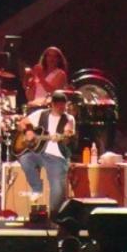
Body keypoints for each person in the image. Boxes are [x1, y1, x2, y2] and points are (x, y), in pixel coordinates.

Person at [17, 90, 75, 218]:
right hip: (40, 154)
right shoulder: (40, 114)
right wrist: (28, 131)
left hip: (57, 158)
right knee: (25, 158)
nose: (62, 108)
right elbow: (22, 123)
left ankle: (55, 218)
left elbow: (68, 133)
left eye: (63, 105)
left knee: (57, 190)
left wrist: (62, 137)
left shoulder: (69, 118)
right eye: (59, 105)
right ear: (52, 105)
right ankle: (37, 188)